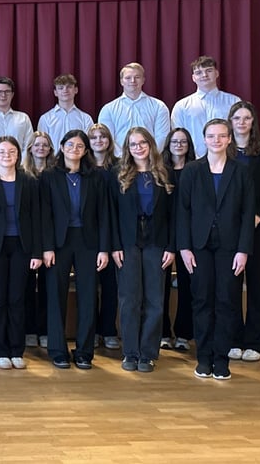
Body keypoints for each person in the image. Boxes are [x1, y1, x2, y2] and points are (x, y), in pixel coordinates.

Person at [178, 119, 255, 380]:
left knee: (227, 301)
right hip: (198, 247)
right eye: (211, 136)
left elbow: (247, 215)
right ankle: (204, 358)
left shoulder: (241, 172)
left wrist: (243, 250)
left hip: (230, 248)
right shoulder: (191, 170)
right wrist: (184, 247)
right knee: (202, 302)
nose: (216, 140)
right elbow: (183, 212)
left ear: (229, 139)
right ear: (205, 139)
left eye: (222, 136)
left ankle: (221, 360)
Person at [41, 130, 111, 370]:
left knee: (89, 296)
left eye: (80, 145)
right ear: (61, 147)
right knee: (55, 295)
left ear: (86, 150)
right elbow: (45, 215)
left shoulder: (96, 177)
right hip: (58, 243)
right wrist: (47, 247)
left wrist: (104, 249)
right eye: (70, 144)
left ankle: (84, 351)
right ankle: (58, 350)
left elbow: (104, 214)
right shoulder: (49, 176)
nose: (74, 149)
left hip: (88, 242)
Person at [110, 127, 174, 373]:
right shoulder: (119, 174)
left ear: (150, 144)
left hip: (157, 243)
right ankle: (130, 352)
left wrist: (172, 247)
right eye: (133, 144)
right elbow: (111, 214)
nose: (138, 148)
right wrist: (114, 245)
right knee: (129, 299)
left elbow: (173, 214)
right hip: (127, 243)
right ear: (128, 148)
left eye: (142, 143)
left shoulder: (163, 173)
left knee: (155, 300)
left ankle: (147, 354)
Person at [0, 136, 42, 369]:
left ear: (18, 154)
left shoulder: (29, 181)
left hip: (22, 248)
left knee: (17, 299)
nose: (6, 156)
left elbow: (36, 218)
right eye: (2, 152)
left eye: (11, 152)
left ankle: (16, 350)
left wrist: (36, 253)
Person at [228, 101, 260, 362]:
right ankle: (234, 339)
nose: (241, 122)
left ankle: (254, 341)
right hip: (230, 229)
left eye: (246, 118)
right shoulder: (223, 152)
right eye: (237, 117)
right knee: (230, 286)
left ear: (253, 122)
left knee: (257, 286)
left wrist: (257, 217)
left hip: (258, 227)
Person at [160, 128, 196, 352]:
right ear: (168, 144)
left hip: (189, 235)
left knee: (187, 285)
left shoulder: (196, 170)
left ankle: (183, 334)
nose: (179, 145)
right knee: (160, 286)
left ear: (189, 145)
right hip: (163, 234)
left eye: (183, 141)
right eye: (174, 141)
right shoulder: (160, 171)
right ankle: (163, 333)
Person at [20, 131, 54, 348]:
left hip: (51, 237)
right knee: (26, 287)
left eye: (45, 145)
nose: (40, 148)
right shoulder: (22, 174)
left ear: (50, 149)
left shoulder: (56, 173)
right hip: (29, 238)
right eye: (36, 144)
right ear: (30, 148)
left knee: (48, 287)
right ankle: (29, 329)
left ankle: (45, 329)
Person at [88, 123, 121, 350]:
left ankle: (108, 329)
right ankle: (90, 330)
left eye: (103, 137)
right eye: (94, 138)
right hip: (89, 236)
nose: (99, 141)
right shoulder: (84, 167)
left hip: (115, 233)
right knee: (90, 288)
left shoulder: (119, 167)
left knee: (111, 287)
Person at [171, 56, 240, 158]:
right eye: (199, 72)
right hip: (192, 161)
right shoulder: (181, 106)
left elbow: (240, 133)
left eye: (209, 71)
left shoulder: (234, 102)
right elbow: (179, 137)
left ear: (216, 73)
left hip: (229, 159)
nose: (204, 75)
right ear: (193, 78)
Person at [97, 62, 171, 150]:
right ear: (121, 81)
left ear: (143, 80)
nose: (133, 81)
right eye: (128, 78)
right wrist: (123, 159)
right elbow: (107, 139)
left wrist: (149, 157)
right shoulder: (108, 109)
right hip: (118, 161)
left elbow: (162, 137)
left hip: (151, 161)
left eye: (137, 77)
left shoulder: (159, 107)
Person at [36, 74, 94, 148]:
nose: (65, 90)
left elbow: (89, 144)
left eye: (69, 87)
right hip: (53, 159)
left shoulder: (86, 119)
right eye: (60, 88)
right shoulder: (45, 119)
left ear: (76, 90)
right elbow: (42, 144)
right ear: (55, 92)